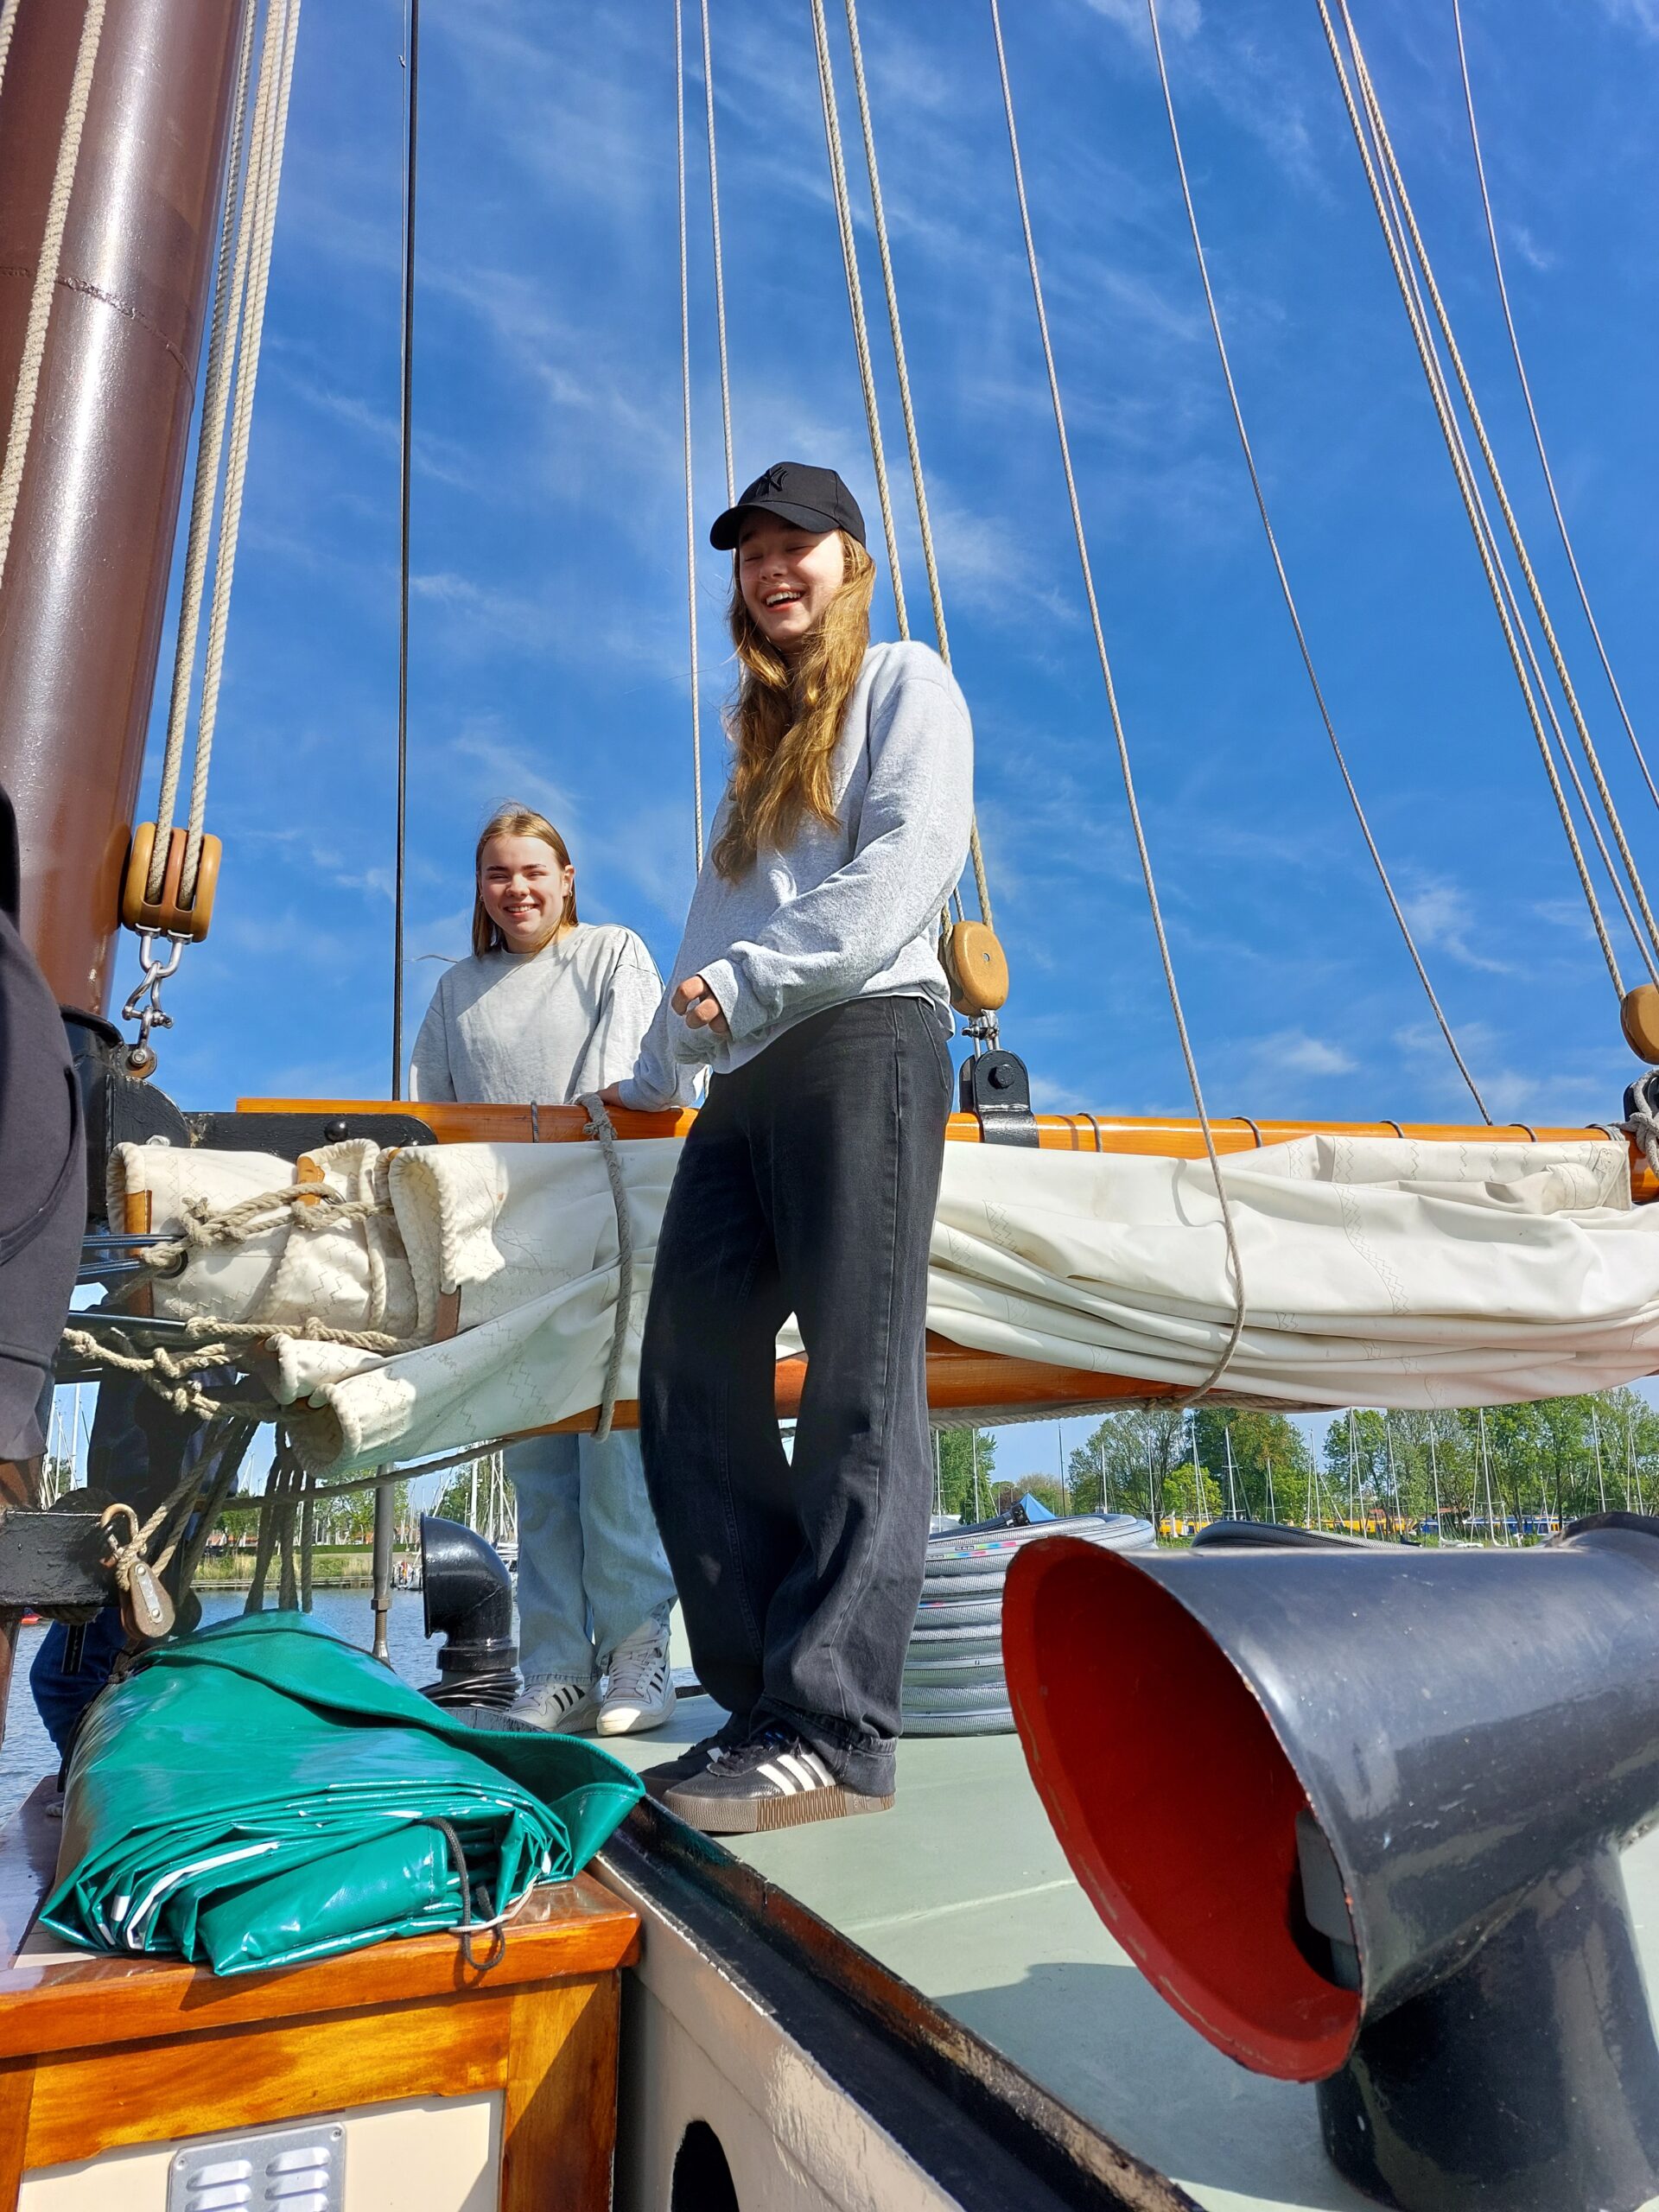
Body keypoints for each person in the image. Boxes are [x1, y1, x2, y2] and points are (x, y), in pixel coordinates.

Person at [601, 461, 971, 1833]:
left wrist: (749, 985)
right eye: (751, 551)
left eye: (795, 544)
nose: (770, 567)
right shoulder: (755, 756)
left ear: (849, 562)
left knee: (858, 1379)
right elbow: (712, 938)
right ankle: (765, 1703)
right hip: (745, 1074)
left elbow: (911, 863)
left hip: (866, 1036)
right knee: (688, 1372)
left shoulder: (907, 682)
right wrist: (653, 1076)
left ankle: (836, 1726)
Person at [411, 804, 679, 1735]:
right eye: (498, 874)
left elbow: (620, 1085)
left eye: (533, 871)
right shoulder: (456, 994)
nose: (516, 889)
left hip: (607, 1230)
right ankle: (558, 1666)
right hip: (505, 1245)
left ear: (567, 878)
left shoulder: (612, 955)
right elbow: (431, 1115)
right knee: (537, 1470)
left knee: (613, 1450)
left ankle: (637, 1651)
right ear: (480, 889)